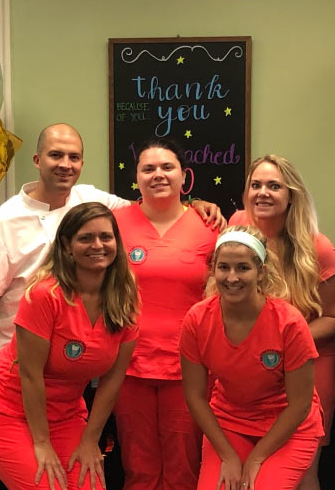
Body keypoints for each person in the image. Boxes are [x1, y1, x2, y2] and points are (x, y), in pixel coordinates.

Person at [0, 123, 223, 373]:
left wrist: (194, 203)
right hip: (16, 355)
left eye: (74, 157)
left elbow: (149, 208)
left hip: (76, 355)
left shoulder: (92, 200)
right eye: (56, 155)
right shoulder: (2, 223)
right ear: (38, 160)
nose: (65, 164)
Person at [0, 202, 139, 490]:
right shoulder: (44, 295)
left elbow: (113, 380)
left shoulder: (125, 300)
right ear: (67, 246)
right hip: (6, 407)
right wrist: (42, 443)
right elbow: (30, 374)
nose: (97, 245)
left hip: (65, 413)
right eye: (85, 238)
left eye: (106, 237)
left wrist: (89, 440)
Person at [112, 138, 221, 490]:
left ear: (184, 175)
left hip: (189, 366)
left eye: (167, 167)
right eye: (148, 168)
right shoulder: (114, 224)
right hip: (128, 365)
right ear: (137, 178)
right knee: (138, 467)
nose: (158, 174)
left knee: (184, 467)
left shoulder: (211, 226)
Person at [229, 155, 335, 490]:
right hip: (252, 369)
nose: (263, 193)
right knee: (256, 469)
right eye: (256, 185)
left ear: (291, 195)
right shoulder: (236, 227)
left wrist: (286, 341)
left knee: (303, 471)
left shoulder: (317, 248)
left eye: (274, 186)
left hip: (309, 367)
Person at [180, 226, 324, 490]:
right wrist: (227, 455)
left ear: (261, 272)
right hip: (229, 422)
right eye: (224, 267)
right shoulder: (197, 320)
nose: (232, 277)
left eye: (243, 268)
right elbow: (195, 396)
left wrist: (256, 458)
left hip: (288, 426)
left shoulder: (289, 323)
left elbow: (300, 405)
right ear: (213, 270)